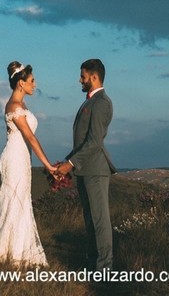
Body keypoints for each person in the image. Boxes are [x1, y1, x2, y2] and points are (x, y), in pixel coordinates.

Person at [53, 58, 117, 271]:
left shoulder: (101, 103)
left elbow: (94, 142)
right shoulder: (90, 101)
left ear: (94, 76)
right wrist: (67, 162)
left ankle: (104, 269)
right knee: (91, 221)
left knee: (100, 221)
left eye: (83, 76)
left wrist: (70, 163)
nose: (80, 80)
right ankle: (94, 264)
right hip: (85, 169)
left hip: (96, 170)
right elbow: (83, 142)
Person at [0, 61, 57, 267]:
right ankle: (9, 255)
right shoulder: (13, 107)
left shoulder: (22, 105)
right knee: (14, 201)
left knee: (22, 201)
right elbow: (30, 138)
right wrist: (48, 165)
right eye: (31, 80)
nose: (35, 84)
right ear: (20, 83)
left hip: (23, 159)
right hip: (14, 159)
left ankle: (21, 252)